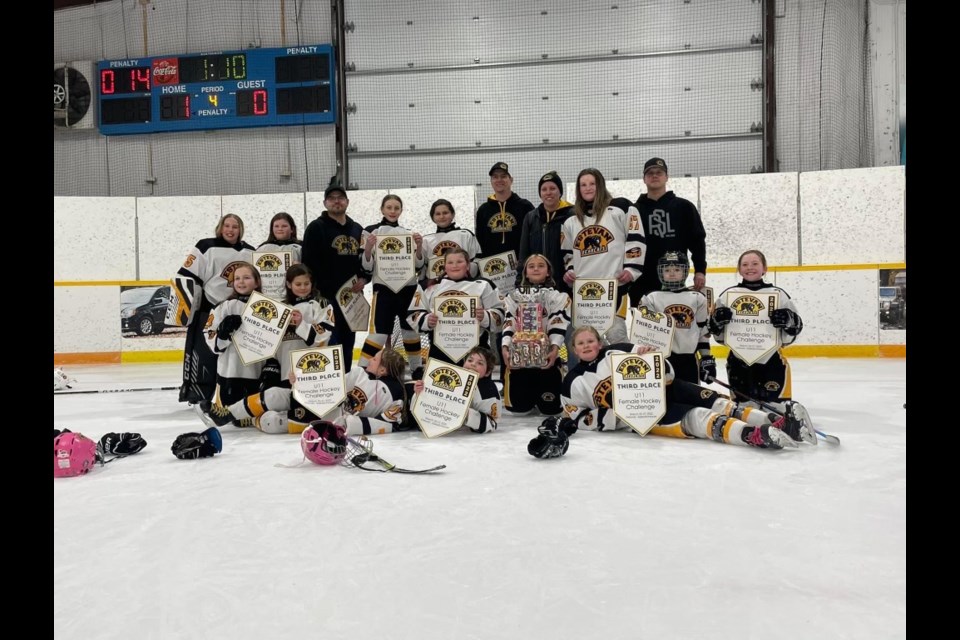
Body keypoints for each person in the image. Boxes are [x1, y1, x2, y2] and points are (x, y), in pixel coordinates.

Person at [560, 326, 806, 449]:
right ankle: (751, 435)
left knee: (717, 401)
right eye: (580, 343)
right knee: (699, 418)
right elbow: (579, 416)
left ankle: (777, 421)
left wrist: (654, 359)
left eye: (590, 340)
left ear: (599, 341)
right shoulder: (572, 382)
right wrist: (617, 416)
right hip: (644, 413)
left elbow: (665, 371)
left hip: (666, 389)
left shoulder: (622, 349)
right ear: (573, 349)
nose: (586, 345)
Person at [707, 249, 815, 443]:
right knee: (744, 410)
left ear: (764, 268)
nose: (750, 268)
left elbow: (794, 330)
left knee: (777, 405)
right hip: (739, 363)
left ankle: (787, 425)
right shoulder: (728, 296)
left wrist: (789, 321)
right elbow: (719, 336)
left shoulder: (778, 295)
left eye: (755, 263)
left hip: (771, 362)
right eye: (745, 264)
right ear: (739, 269)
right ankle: (760, 434)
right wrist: (717, 323)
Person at [167, 213, 254, 404]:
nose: (230, 230)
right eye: (227, 226)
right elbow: (187, 276)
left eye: (235, 226)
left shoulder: (250, 251)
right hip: (209, 308)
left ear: (241, 230)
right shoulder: (206, 246)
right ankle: (198, 393)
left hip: (238, 310)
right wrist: (184, 310)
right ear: (220, 227)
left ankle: (234, 394)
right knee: (204, 353)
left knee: (236, 357)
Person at [561, 168, 645, 344]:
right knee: (590, 341)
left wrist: (632, 268)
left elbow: (636, 238)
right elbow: (567, 252)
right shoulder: (571, 218)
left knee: (617, 336)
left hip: (615, 287)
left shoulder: (620, 207)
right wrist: (569, 270)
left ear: (600, 185)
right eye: (583, 185)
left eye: (592, 183)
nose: (588, 188)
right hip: (585, 292)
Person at [300, 185, 367, 372]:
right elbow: (308, 263)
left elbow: (365, 260)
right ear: (325, 203)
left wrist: (364, 279)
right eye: (332, 198)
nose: (336, 201)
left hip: (351, 299)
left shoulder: (357, 229)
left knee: (347, 344)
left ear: (347, 201)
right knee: (330, 344)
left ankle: (345, 386)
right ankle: (331, 389)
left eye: (340, 197)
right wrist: (316, 293)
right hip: (326, 298)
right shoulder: (316, 227)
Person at [358, 195, 426, 376]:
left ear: (401, 210)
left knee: (410, 329)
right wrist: (367, 248)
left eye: (397, 208)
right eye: (389, 207)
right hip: (384, 290)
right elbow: (366, 267)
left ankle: (416, 368)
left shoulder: (408, 233)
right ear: (382, 209)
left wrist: (419, 247)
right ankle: (364, 369)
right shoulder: (370, 232)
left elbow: (418, 266)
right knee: (379, 332)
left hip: (408, 289)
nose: (393, 211)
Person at [407, 248, 505, 369]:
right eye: (450, 262)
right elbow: (413, 314)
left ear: (468, 265)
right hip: (440, 351)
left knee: (477, 387)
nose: (455, 266)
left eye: (459, 262)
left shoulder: (484, 285)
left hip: (476, 353)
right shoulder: (428, 286)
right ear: (444, 265)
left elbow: (501, 314)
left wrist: (485, 316)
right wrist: (427, 320)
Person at [628, 157, 707, 306]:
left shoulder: (684, 207)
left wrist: (700, 270)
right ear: (644, 179)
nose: (655, 175)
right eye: (650, 173)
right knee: (644, 327)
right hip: (642, 283)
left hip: (674, 279)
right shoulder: (634, 211)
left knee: (676, 325)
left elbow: (697, 241)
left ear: (667, 177)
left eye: (659, 172)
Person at [500, 254, 570, 416]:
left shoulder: (558, 296)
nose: (536, 268)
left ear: (548, 272)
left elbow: (557, 323)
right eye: (531, 266)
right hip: (519, 360)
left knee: (551, 410)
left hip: (546, 359)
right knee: (518, 410)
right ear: (525, 272)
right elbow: (509, 322)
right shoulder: (513, 297)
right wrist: (505, 346)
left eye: (540, 265)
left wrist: (554, 349)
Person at [637, 250, 712, 384]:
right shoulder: (651, 298)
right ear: (661, 272)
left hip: (688, 361)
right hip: (661, 360)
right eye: (667, 270)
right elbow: (644, 333)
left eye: (677, 269)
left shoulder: (697, 298)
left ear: (685, 272)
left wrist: (706, 358)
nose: (672, 273)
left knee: (690, 401)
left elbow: (703, 331)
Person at [203, 262, 265, 415]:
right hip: (230, 372)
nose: (241, 282)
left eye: (246, 278)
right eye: (237, 278)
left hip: (257, 371)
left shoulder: (268, 307)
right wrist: (223, 335)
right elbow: (209, 334)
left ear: (257, 282)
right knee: (233, 418)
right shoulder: (224, 306)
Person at [412, 346, 502, 434]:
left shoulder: (488, 389)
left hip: (467, 442)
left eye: (480, 363)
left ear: (488, 372)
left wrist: (466, 415)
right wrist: (419, 394)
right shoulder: (450, 376)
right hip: (438, 433)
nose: (473, 364)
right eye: (470, 360)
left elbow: (492, 423)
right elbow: (420, 412)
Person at [517, 171, 575, 295]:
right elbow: (524, 252)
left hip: (566, 282)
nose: (548, 192)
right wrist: (519, 281)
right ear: (540, 193)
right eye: (544, 189)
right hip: (537, 285)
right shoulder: (531, 217)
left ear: (560, 191)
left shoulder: (572, 214)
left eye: (553, 188)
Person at [475, 162, 534, 261]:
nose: (499, 180)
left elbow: (532, 236)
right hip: (492, 265)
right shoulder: (483, 210)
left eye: (503, 176)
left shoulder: (525, 206)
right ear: (491, 181)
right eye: (495, 177)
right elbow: (480, 238)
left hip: (520, 264)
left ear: (511, 180)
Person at [420, 199, 482, 287]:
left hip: (464, 285)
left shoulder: (465, 234)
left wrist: (461, 275)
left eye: (445, 213)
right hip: (436, 286)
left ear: (452, 214)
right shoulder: (426, 240)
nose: (442, 216)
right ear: (432, 217)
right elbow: (422, 268)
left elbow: (477, 260)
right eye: (438, 214)